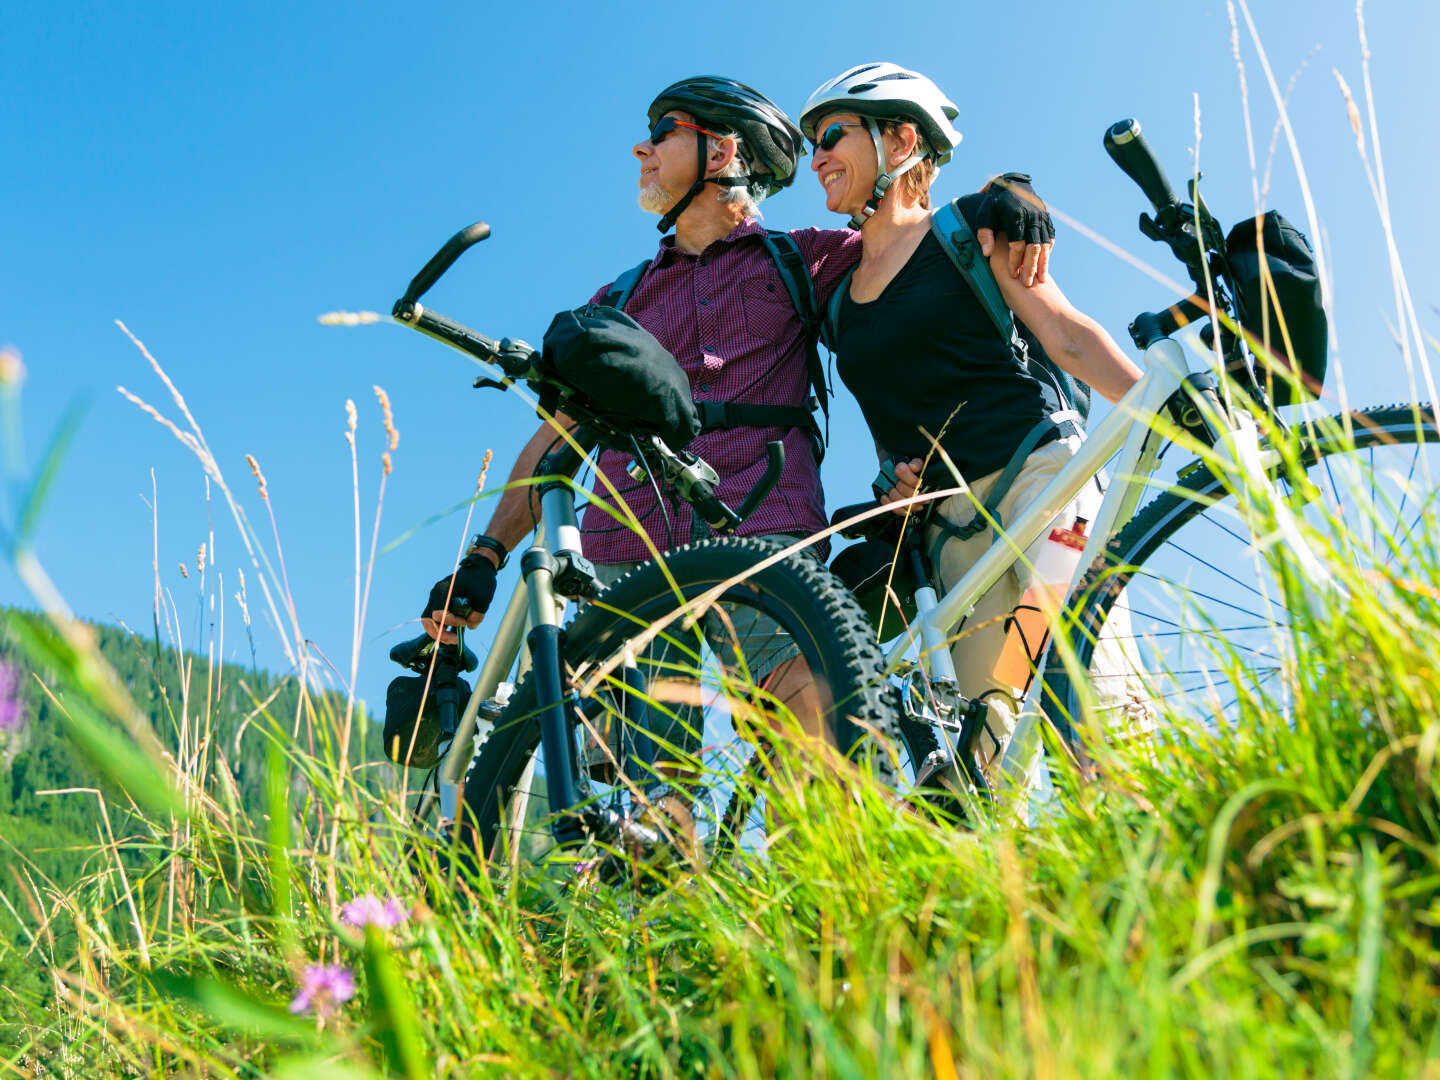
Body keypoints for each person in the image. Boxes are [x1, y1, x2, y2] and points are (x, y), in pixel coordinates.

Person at [413, 77, 1054, 840]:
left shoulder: (803, 260)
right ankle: (662, 946)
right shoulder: (619, 297)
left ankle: (850, 919)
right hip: (627, 556)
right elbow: (555, 437)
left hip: (759, 531)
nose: (640, 150)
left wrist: (999, 196)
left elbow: (911, 246)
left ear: (721, 150)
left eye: (662, 130)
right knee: (643, 813)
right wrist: (486, 553)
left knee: (815, 729)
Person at [798, 63, 1150, 781]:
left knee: (1089, 686)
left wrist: (1166, 407)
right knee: (987, 748)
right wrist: (895, 483)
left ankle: (1158, 853)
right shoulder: (837, 305)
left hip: (1042, 482)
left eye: (832, 134)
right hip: (952, 532)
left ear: (900, 139)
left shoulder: (971, 231)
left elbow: (1066, 336)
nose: (817, 157)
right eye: (813, 144)